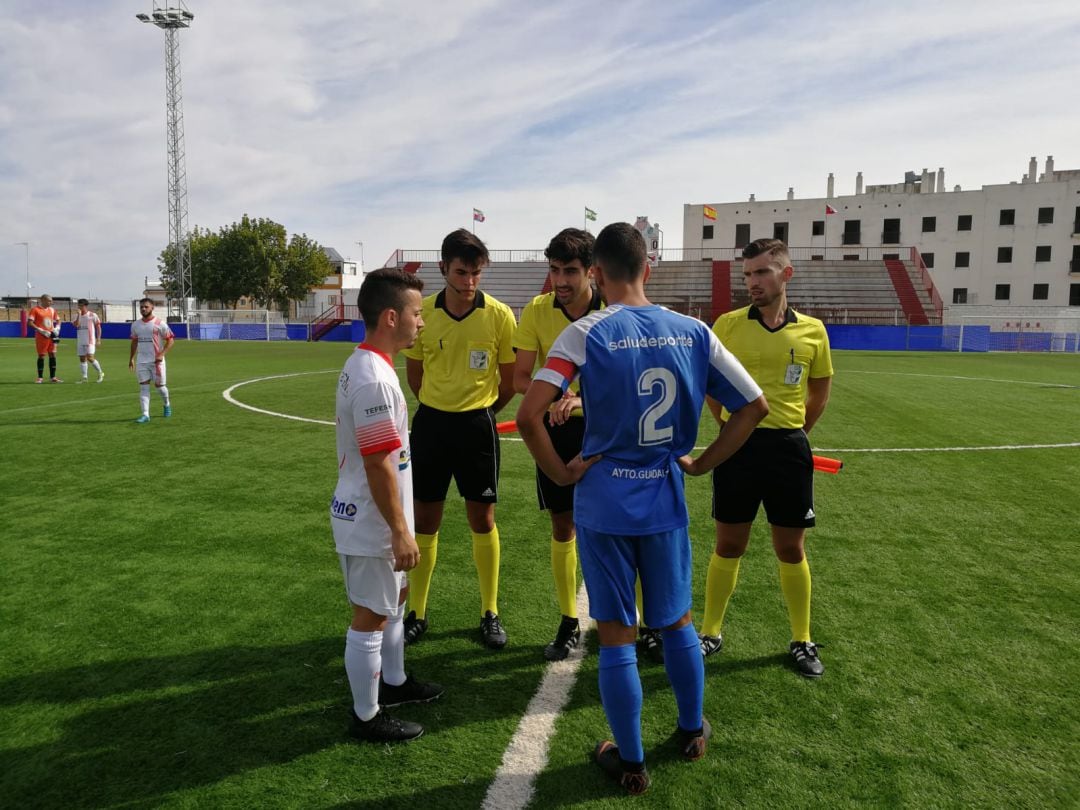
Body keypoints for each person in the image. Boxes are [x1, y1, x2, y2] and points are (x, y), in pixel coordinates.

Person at [516, 223, 767, 795]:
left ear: (598, 275)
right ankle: (689, 731)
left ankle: (630, 762)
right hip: (663, 494)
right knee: (676, 621)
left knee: (615, 634)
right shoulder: (694, 331)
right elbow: (755, 405)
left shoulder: (584, 332)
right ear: (647, 268)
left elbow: (531, 415)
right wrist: (702, 463)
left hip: (604, 499)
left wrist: (562, 472)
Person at [698, 238, 834, 678]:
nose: (752, 282)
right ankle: (711, 632)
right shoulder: (728, 325)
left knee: (790, 547)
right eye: (747, 275)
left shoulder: (813, 330)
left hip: (788, 449)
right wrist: (728, 428)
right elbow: (707, 383)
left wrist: (796, 433)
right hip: (738, 447)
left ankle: (801, 638)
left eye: (760, 273)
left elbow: (819, 391)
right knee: (729, 543)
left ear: (785, 274)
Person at [332, 268, 444, 744]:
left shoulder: (369, 365)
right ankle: (366, 716)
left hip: (376, 516)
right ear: (391, 316)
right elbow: (378, 463)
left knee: (395, 602)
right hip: (372, 521)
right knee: (371, 615)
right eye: (417, 314)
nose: (422, 323)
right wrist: (400, 530)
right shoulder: (375, 380)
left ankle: (394, 684)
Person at [402, 229, 517, 649]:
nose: (469, 282)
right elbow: (415, 375)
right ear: (443, 269)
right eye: (461, 272)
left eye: (475, 273)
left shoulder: (500, 315)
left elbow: (507, 381)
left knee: (482, 519)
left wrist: (481, 412)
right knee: (425, 521)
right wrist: (439, 405)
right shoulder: (424, 313)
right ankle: (417, 612)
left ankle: (490, 610)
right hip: (431, 425)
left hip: (477, 427)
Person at [512, 228, 602, 661]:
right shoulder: (536, 310)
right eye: (554, 270)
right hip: (554, 431)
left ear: (591, 271)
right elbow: (519, 378)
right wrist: (554, 396)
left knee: (619, 527)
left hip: (607, 432)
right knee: (562, 526)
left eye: (570, 271)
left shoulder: (615, 309)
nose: (560, 280)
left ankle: (638, 621)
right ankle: (569, 620)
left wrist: (580, 398)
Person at [128, 298, 174, 423]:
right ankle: (145, 415)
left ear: (152, 307)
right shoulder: (135, 325)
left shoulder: (160, 323)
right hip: (141, 361)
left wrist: (162, 354)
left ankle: (166, 404)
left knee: (160, 387)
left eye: (146, 307)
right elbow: (134, 342)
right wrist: (131, 358)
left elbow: (170, 340)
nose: (143, 309)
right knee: (143, 387)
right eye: (141, 307)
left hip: (156, 362)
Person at [27, 294, 62, 383]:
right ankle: (40, 378)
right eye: (49, 301)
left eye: (51, 301)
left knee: (53, 354)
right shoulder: (35, 310)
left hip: (51, 336)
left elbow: (58, 320)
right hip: (41, 336)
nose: (51, 302)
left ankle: (53, 377)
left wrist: (57, 328)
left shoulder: (52, 310)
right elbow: (30, 323)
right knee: (42, 355)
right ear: (42, 300)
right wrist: (41, 330)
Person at [73, 299, 105, 383]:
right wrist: (79, 314)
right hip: (80, 340)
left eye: (81, 305)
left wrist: (98, 339)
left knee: (90, 358)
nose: (79, 307)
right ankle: (84, 378)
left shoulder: (92, 315)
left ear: (85, 306)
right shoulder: (75, 315)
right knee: (82, 359)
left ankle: (100, 373)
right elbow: (77, 325)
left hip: (90, 340)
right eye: (78, 305)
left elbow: (98, 327)